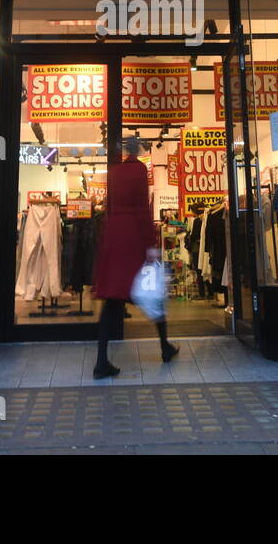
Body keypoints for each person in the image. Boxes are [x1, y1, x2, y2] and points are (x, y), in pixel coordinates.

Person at [91, 135, 177, 379]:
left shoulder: (114, 172)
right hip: (133, 239)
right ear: (136, 150)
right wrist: (151, 244)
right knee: (153, 294)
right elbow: (142, 207)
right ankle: (165, 346)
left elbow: (111, 207)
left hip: (114, 238)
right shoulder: (139, 170)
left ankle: (100, 361)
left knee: (111, 302)